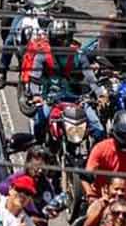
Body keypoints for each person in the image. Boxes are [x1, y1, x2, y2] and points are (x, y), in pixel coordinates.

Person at [23, 15, 103, 147]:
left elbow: (90, 77)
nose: (60, 42)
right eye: (57, 39)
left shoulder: (78, 55)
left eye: (63, 39)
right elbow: (34, 78)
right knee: (39, 122)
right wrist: (37, 95)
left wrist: (100, 94)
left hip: (77, 100)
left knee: (98, 129)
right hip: (51, 99)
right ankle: (40, 149)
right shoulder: (42, 55)